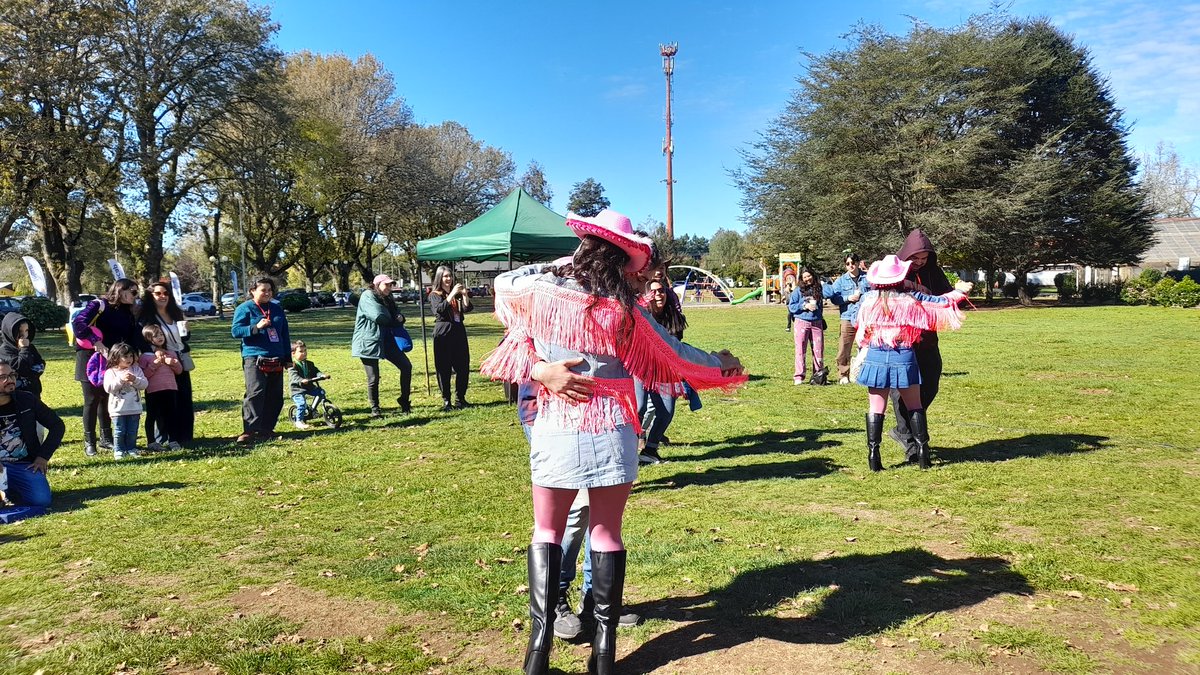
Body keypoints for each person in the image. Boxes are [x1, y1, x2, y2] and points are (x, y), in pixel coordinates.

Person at [480, 209, 745, 675]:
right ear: (622, 261)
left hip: (556, 422)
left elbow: (504, 286)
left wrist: (569, 265)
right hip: (612, 426)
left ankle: (537, 654)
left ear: (584, 246)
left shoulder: (536, 293)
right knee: (606, 534)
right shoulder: (623, 312)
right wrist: (724, 365)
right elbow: (675, 356)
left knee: (546, 532)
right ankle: (604, 657)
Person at [855, 255, 967, 470]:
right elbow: (942, 302)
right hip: (903, 355)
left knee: (875, 408)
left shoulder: (868, 300)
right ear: (900, 277)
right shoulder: (911, 299)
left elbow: (860, 329)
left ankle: (873, 457)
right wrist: (960, 291)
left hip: (876, 356)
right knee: (915, 405)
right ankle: (924, 455)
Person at [889, 230, 972, 460]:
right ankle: (910, 442)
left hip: (927, 341)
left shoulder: (933, 272)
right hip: (901, 342)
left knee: (930, 385)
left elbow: (947, 299)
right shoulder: (894, 273)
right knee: (901, 392)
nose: (919, 263)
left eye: (924, 259)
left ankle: (908, 428)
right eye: (915, 258)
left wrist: (960, 293)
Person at [72, 279, 142, 457]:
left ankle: (106, 438)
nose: (135, 297)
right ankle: (90, 442)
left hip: (112, 360)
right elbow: (78, 323)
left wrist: (135, 357)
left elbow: (131, 337)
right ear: (121, 290)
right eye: (133, 292)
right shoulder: (100, 305)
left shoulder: (129, 312)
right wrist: (96, 341)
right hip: (91, 359)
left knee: (106, 398)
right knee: (92, 400)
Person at [635, 277, 690, 464]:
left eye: (662, 291)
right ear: (646, 295)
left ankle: (650, 450)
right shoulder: (640, 315)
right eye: (654, 291)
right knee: (639, 407)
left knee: (666, 411)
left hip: (664, 370)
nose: (658, 294)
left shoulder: (673, 316)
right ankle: (627, 449)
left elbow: (676, 346)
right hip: (640, 366)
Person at [231, 277, 291, 444]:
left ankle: (266, 429)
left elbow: (284, 334)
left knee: (275, 395)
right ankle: (249, 430)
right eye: (263, 290)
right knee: (256, 392)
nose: (267, 293)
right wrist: (255, 327)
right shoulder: (244, 309)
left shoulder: (277, 309)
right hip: (254, 356)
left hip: (277, 356)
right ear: (252, 291)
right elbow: (236, 331)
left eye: (269, 290)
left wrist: (287, 357)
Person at [0, 362, 64, 519]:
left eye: (12, 375)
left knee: (41, 500)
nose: (10, 380)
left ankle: (10, 491)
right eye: (3, 377)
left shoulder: (26, 400)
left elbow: (57, 426)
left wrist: (43, 457)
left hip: (23, 464)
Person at [138, 281, 195, 444]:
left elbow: (183, 338)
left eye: (165, 293)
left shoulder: (176, 313)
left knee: (184, 397)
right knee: (165, 400)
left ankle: (183, 436)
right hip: (162, 362)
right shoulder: (147, 317)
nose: (162, 296)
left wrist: (187, 331)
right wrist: (155, 350)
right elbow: (142, 338)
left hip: (179, 359)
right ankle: (163, 437)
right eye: (158, 293)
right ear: (151, 296)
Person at [352, 274, 412, 417]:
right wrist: (395, 318)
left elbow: (398, 315)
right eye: (386, 285)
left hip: (387, 340)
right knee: (373, 378)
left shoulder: (388, 298)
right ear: (377, 284)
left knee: (406, 366)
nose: (389, 288)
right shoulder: (367, 296)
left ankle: (404, 401)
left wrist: (400, 318)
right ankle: (375, 409)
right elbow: (379, 317)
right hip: (368, 342)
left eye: (391, 285)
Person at [429, 265, 472, 411]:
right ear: (440, 278)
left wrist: (464, 295)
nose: (448, 279)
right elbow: (439, 310)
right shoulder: (434, 295)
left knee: (463, 366)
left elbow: (467, 308)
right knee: (444, 368)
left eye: (450, 276)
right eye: (445, 276)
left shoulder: (457, 294)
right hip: (443, 333)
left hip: (458, 331)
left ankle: (461, 398)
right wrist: (451, 294)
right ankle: (446, 401)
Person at [828, 253, 871, 384]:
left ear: (858, 263)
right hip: (847, 317)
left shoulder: (868, 278)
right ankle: (843, 374)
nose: (851, 265)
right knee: (844, 347)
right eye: (847, 264)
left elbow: (875, 292)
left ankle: (864, 372)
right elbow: (834, 298)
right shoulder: (841, 281)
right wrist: (847, 298)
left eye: (853, 262)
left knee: (868, 345)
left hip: (865, 317)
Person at [139, 324, 183, 451]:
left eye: (161, 334)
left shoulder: (170, 353)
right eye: (156, 335)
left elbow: (179, 371)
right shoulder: (145, 356)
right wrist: (154, 365)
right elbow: (144, 375)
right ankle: (151, 441)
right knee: (152, 415)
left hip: (170, 388)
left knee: (171, 414)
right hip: (153, 391)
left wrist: (173, 363)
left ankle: (173, 440)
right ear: (148, 338)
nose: (160, 337)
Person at [102, 342, 149, 460]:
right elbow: (108, 388)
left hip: (134, 407)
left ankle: (131, 448)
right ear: (116, 357)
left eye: (131, 356)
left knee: (133, 430)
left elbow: (144, 384)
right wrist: (120, 380)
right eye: (125, 356)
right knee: (119, 430)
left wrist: (135, 379)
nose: (129, 359)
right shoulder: (111, 372)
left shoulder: (136, 370)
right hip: (118, 409)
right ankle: (119, 449)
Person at [787, 267, 832, 385]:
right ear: (801, 278)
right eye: (805, 277)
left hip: (817, 322)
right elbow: (791, 307)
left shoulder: (819, 288)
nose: (807, 279)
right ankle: (799, 376)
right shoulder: (798, 291)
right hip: (801, 322)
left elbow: (830, 292)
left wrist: (821, 283)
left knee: (818, 350)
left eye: (809, 276)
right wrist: (804, 306)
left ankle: (818, 375)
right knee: (800, 350)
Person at [0, 313, 46, 399]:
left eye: (26, 331)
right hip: (17, 393)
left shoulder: (30, 347)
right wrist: (24, 349)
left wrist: (32, 373)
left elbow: (41, 363)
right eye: (20, 331)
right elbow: (20, 367)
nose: (23, 335)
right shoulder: (5, 351)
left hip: (33, 390)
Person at [289, 340, 328, 430]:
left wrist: (321, 375)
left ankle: (312, 410)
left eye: (305, 351)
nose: (304, 353)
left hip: (309, 386)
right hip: (297, 388)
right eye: (301, 351)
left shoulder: (309, 363)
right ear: (293, 353)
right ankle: (299, 421)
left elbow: (315, 371)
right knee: (301, 403)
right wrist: (301, 380)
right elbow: (294, 376)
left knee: (321, 392)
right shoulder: (292, 365)